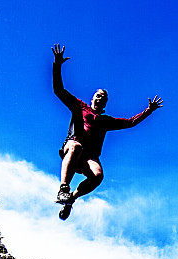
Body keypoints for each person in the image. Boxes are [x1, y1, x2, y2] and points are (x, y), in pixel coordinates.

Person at [51, 43, 163, 220]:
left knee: (97, 176)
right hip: (74, 143)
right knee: (76, 148)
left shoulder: (105, 121)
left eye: (103, 98)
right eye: (98, 96)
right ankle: (64, 188)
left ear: (104, 104)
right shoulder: (80, 107)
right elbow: (58, 90)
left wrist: (148, 111)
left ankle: (71, 199)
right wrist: (57, 65)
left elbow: (130, 122)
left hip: (90, 155)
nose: (100, 99)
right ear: (92, 98)